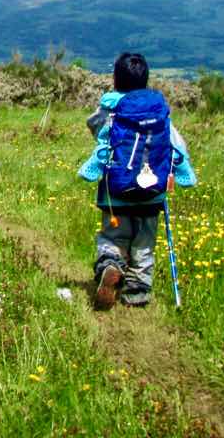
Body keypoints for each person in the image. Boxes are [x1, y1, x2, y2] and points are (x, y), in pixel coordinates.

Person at [78, 53, 197, 309]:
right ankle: (137, 294)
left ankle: (111, 265)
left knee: (113, 237)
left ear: (115, 80)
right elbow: (177, 146)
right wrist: (182, 172)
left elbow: (94, 127)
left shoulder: (111, 110)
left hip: (116, 192)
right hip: (153, 193)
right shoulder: (158, 112)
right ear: (146, 79)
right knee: (144, 244)